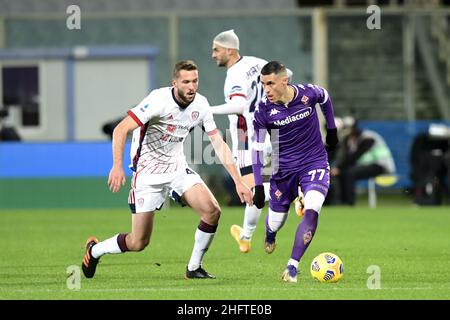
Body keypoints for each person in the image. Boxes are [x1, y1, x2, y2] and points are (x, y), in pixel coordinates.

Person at [81, 60, 253, 280]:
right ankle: (95, 250)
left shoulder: (201, 105)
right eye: (186, 82)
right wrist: (117, 165)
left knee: (212, 211)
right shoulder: (158, 100)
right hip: (148, 175)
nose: (192, 86)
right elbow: (120, 129)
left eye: (195, 81)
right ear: (175, 83)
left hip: (177, 168)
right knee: (138, 242)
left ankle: (193, 268)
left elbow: (218, 144)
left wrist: (238, 181)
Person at [251, 61, 338, 283]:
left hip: (314, 163)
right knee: (276, 222)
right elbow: (257, 150)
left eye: (270, 84)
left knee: (313, 207)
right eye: (263, 84)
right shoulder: (263, 110)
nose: (266, 89)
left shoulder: (308, 94)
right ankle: (270, 233)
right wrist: (259, 186)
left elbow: (325, 97)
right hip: (283, 172)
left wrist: (332, 129)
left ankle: (292, 266)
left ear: (284, 81)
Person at [211, 29, 294, 253]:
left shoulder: (234, 76)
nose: (213, 54)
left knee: (253, 190)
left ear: (230, 50)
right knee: (257, 191)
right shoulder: (257, 63)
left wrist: (206, 111)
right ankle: (245, 237)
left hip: (247, 137)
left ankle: (294, 192)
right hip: (271, 132)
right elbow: (288, 75)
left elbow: (238, 106)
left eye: (216, 50)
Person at [330, 120, 396, 205]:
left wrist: (339, 168)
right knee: (344, 172)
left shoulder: (368, 138)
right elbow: (346, 157)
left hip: (381, 165)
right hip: (368, 165)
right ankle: (341, 201)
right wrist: (339, 168)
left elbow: (356, 156)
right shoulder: (351, 139)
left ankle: (349, 203)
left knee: (350, 173)